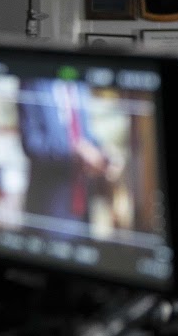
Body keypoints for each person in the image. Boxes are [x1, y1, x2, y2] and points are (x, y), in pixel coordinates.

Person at [17, 77, 118, 228]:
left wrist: (104, 153)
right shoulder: (34, 82)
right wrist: (77, 150)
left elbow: (85, 133)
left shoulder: (80, 84)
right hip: (50, 205)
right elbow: (32, 144)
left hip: (83, 202)